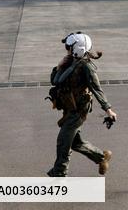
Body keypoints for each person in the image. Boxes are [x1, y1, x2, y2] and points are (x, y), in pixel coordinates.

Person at [46, 32, 117, 177]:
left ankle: (59, 173)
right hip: (69, 108)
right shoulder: (70, 61)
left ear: (76, 48)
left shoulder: (86, 66)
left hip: (78, 111)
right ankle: (101, 157)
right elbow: (55, 80)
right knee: (75, 142)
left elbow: (96, 88)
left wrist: (108, 109)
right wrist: (59, 66)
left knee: (63, 141)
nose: (66, 49)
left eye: (68, 47)